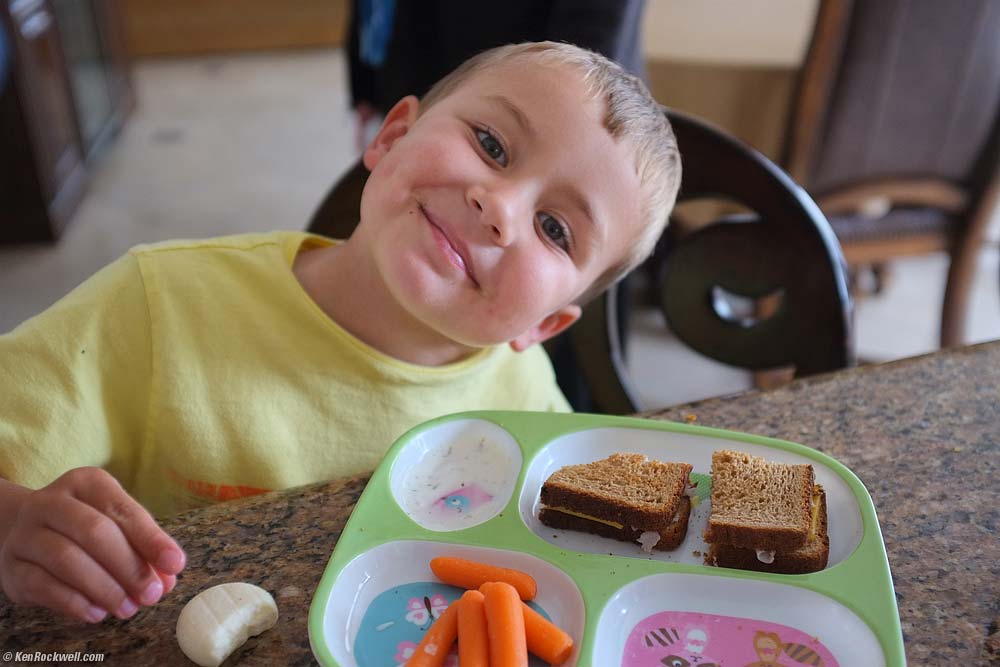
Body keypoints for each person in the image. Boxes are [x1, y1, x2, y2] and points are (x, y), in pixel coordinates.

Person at [0, 42, 680, 625]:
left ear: (544, 325)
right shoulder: (154, 304)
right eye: (492, 144)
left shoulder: (525, 401)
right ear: (389, 138)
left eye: (554, 228)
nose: (498, 207)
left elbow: (568, 556)